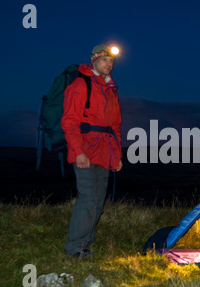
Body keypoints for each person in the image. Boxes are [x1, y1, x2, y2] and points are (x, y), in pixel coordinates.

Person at [61, 44, 123, 259]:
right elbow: (69, 121)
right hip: (85, 150)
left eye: (112, 61)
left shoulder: (111, 89)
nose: (109, 64)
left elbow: (114, 126)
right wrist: (78, 151)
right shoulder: (80, 85)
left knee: (97, 201)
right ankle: (74, 248)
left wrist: (117, 156)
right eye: (105, 60)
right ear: (94, 60)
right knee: (88, 198)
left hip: (105, 153)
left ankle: (84, 246)